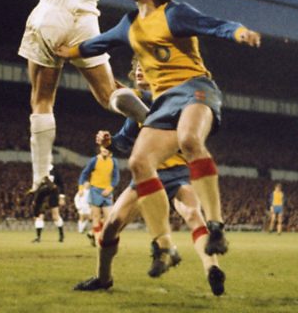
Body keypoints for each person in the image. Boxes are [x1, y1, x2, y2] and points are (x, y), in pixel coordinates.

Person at [56, 0, 261, 274]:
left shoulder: (174, 14)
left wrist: (240, 33)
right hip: (164, 102)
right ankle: (164, 245)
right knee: (139, 162)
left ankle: (217, 227)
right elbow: (96, 44)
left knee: (190, 139)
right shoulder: (129, 25)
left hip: (195, 88)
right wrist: (65, 52)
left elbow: (217, 26)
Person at [0, 0, 148, 191]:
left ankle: (42, 177)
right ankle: (151, 116)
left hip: (51, 17)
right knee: (108, 94)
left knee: (42, 99)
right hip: (87, 26)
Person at [74, 60, 224, 295]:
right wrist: (110, 142)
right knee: (111, 225)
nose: (140, 70)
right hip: (148, 174)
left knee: (194, 215)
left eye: (145, 66)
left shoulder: (175, 96)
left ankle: (212, 269)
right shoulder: (139, 103)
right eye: (136, 68)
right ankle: (103, 279)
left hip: (177, 171)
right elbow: (125, 139)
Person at [78, 144, 119, 245]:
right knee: (96, 216)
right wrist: (81, 188)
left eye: (107, 148)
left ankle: (92, 233)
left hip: (107, 192)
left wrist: (109, 189)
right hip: (95, 190)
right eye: (103, 147)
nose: (105, 150)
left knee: (109, 218)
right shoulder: (94, 160)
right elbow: (84, 173)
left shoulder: (114, 161)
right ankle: (97, 240)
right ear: (100, 148)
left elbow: (116, 178)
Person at [31, 166, 65, 243]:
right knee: (39, 215)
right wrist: (35, 198)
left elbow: (61, 184)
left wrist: (62, 197)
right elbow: (36, 185)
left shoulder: (54, 170)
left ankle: (61, 235)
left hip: (53, 195)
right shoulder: (39, 170)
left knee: (55, 216)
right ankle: (38, 237)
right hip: (42, 195)